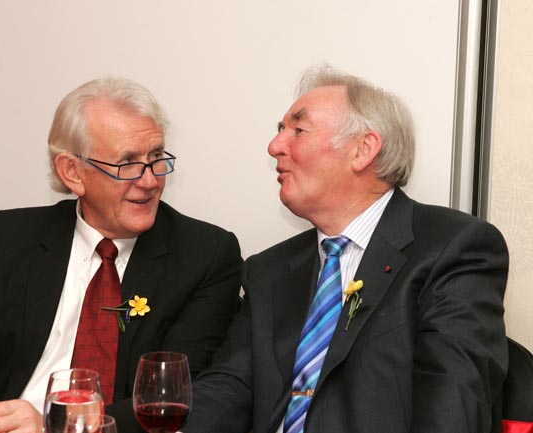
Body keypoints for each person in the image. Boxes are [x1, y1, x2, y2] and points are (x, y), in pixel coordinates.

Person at [182, 65, 509, 433]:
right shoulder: (269, 270)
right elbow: (230, 385)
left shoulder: (454, 248)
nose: (275, 146)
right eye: (279, 131)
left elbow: (453, 406)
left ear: (363, 149)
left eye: (298, 130)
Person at [0, 77, 243, 433]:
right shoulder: (13, 237)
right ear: (73, 172)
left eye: (156, 157)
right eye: (127, 163)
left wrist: (56, 424)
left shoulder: (204, 255)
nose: (150, 181)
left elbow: (173, 396)